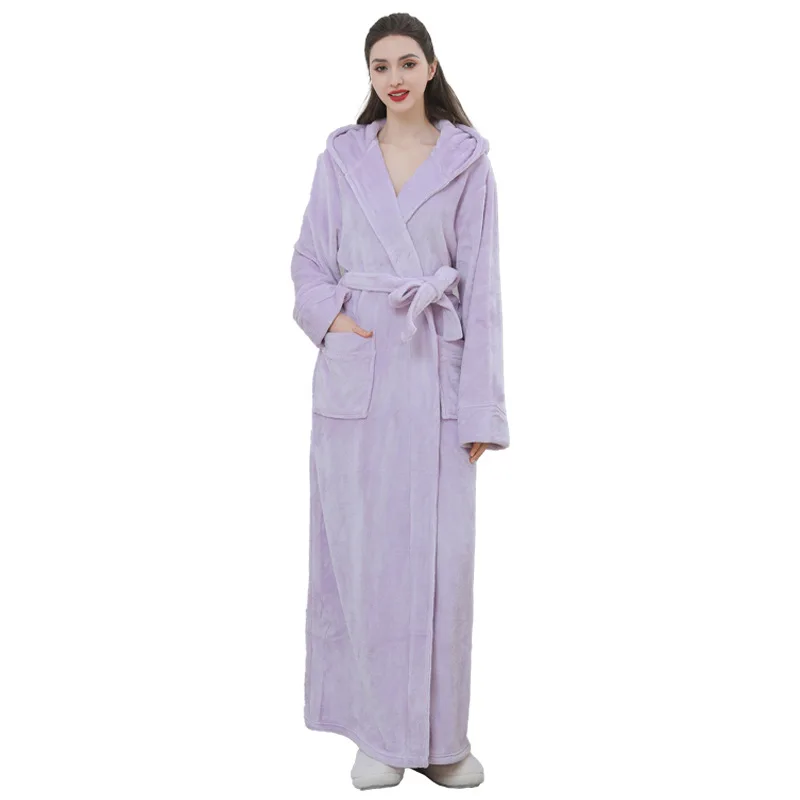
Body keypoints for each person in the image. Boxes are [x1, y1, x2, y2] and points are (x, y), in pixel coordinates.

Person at [290, 12, 510, 791]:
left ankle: (441, 737)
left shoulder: (467, 163)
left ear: (431, 66)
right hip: (362, 374)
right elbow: (308, 262)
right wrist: (336, 322)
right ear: (369, 76)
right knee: (363, 557)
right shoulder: (342, 159)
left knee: (443, 564)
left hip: (436, 375)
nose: (394, 78)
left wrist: (481, 407)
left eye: (407, 62)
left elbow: (482, 289)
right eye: (380, 66)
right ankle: (378, 733)